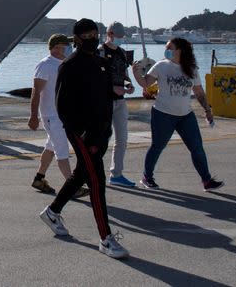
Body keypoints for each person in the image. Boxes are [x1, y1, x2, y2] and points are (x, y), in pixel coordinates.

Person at [39, 19, 129, 259]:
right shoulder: (69, 66)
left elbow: (105, 97)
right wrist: (83, 134)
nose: (92, 38)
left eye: (94, 34)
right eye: (87, 35)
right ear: (77, 39)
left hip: (100, 132)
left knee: (81, 174)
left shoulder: (101, 63)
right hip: (82, 134)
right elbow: (63, 106)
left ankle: (52, 212)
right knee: (97, 182)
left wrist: (116, 95)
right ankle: (106, 239)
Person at [132, 37, 224, 192]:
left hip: (185, 115)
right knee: (157, 146)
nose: (166, 50)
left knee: (197, 148)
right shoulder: (161, 66)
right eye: (166, 48)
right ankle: (147, 177)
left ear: (180, 50)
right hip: (163, 114)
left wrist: (207, 110)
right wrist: (136, 74)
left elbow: (199, 92)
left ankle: (207, 180)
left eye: (170, 48)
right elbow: (146, 84)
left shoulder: (191, 69)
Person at [28, 34, 90, 198]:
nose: (69, 48)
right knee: (62, 150)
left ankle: (39, 178)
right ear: (56, 47)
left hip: (62, 115)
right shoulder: (45, 65)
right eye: (66, 45)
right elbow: (36, 92)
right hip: (51, 115)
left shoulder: (64, 63)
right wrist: (33, 116)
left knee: (51, 147)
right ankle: (73, 187)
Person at [100, 22, 137, 187]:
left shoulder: (122, 53)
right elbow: (95, 78)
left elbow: (124, 74)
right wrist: (113, 87)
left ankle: (116, 174)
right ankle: (90, 172)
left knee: (122, 138)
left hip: (120, 101)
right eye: (118, 36)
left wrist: (128, 84)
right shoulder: (100, 52)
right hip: (104, 101)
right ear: (110, 33)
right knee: (101, 139)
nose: (120, 39)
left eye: (122, 37)